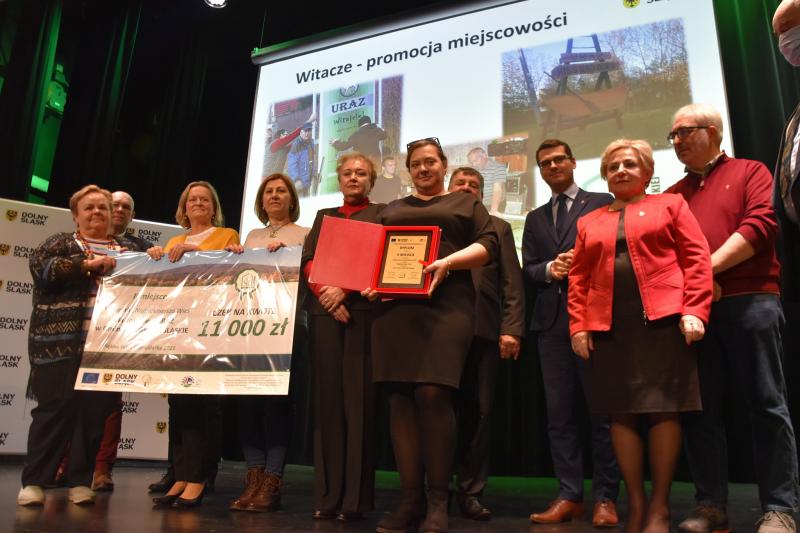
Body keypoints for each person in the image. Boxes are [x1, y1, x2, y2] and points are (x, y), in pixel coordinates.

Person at [666, 104, 799, 533]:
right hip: (697, 312)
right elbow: (665, 256)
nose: (677, 141)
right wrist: (699, 286)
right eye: (672, 135)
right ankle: (710, 507)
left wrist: (705, 272)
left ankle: (780, 509)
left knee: (766, 405)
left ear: (713, 131)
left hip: (751, 302)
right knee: (701, 411)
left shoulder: (750, 171)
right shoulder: (673, 194)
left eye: (684, 131)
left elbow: (761, 226)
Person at [570, 139, 713, 533]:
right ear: (604, 175)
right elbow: (579, 278)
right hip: (609, 325)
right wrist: (578, 325)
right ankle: (636, 505)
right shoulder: (589, 221)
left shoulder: (671, 205)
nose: (620, 170)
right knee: (620, 412)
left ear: (648, 172)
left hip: (663, 321)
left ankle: (660, 508)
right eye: (613, 166)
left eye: (630, 164)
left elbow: (696, 259)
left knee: (664, 408)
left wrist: (695, 310)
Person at [364, 138, 497, 533]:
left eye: (430, 162)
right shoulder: (391, 209)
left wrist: (447, 262)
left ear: (444, 165)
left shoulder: (465, 203)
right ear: (409, 170)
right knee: (400, 401)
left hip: (448, 308)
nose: (423, 169)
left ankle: (438, 501)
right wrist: (370, 281)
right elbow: (372, 253)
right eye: (416, 164)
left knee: (433, 394)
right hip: (394, 312)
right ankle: (410, 501)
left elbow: (488, 245)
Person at [522, 139, 620, 527]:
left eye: (559, 159)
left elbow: (614, 250)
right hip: (551, 325)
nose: (552, 166)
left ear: (574, 162)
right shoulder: (535, 217)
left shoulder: (602, 201)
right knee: (559, 416)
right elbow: (529, 268)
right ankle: (569, 495)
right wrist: (550, 269)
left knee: (603, 414)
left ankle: (606, 498)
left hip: (596, 318)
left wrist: (578, 261)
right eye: (545, 163)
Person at [17, 185, 122, 507]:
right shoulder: (59, 243)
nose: (96, 212)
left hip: (106, 351)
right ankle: (35, 482)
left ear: (112, 215)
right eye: (89, 208)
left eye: (103, 207)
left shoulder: (128, 249)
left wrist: (158, 254)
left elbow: (156, 266)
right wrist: (86, 266)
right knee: (52, 413)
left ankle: (80, 481)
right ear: (76, 216)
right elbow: (42, 269)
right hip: (57, 347)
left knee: (93, 418)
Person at [147, 181, 239, 508]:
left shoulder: (227, 235)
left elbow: (225, 270)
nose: (198, 203)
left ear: (213, 207)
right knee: (179, 405)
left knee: (203, 405)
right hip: (178, 330)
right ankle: (181, 474)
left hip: (209, 330)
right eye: (192, 200)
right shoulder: (174, 241)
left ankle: (199, 477)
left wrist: (194, 252)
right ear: (184, 208)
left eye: (204, 199)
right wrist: (156, 257)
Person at [302, 153, 384, 521]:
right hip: (324, 313)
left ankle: (354, 501)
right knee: (328, 404)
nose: (354, 177)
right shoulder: (324, 216)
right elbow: (308, 260)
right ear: (339, 178)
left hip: (361, 315)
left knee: (358, 404)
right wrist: (326, 293)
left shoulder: (381, 214)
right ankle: (327, 495)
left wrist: (344, 291)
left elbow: (379, 259)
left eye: (361, 173)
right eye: (348, 172)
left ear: (371, 180)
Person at [225, 173, 310, 513]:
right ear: (261, 201)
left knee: (276, 405)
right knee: (247, 404)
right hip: (248, 327)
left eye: (281, 191)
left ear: (291, 199)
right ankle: (254, 478)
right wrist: (235, 257)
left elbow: (311, 276)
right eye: (269, 192)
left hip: (287, 327)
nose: (274, 196)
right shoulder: (251, 236)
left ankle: (272, 481)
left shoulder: (305, 234)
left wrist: (289, 255)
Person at [447, 167, 524, 521]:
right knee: (437, 414)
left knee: (480, 414)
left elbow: (512, 283)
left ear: (481, 192)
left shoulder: (498, 227)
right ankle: (435, 490)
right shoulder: (435, 224)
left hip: (485, 331)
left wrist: (512, 329)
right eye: (460, 183)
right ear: (449, 188)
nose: (466, 188)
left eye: (473, 185)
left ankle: (471, 492)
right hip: (437, 334)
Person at [467, 147, 507, 214]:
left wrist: (494, 210)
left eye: (476, 160)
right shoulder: (474, 168)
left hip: (496, 204)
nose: (474, 164)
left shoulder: (499, 167)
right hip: (480, 203)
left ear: (485, 155)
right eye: (471, 162)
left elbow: (497, 189)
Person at [287, 122, 315, 196]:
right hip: (299, 184)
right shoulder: (296, 145)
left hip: (307, 182)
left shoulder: (311, 143)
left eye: (309, 131)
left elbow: (313, 160)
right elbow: (291, 165)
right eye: (305, 131)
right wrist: (296, 180)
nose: (307, 133)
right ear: (301, 132)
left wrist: (314, 174)